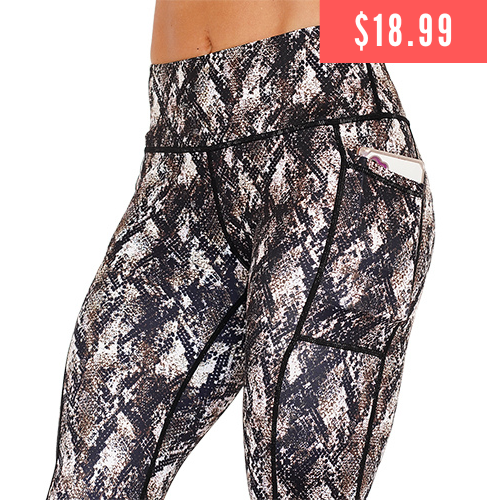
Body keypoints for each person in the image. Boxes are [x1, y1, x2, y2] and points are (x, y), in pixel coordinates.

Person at [46, 1, 436, 499]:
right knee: (90, 472)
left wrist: (349, 36)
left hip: (324, 137)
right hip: (177, 153)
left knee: (296, 474)